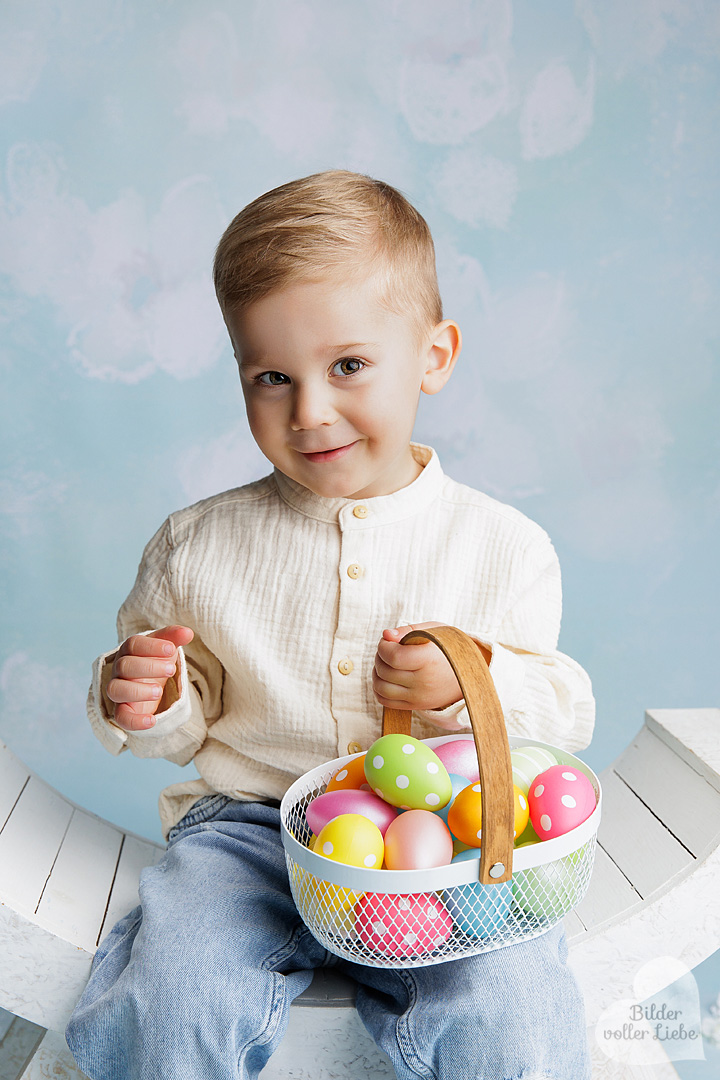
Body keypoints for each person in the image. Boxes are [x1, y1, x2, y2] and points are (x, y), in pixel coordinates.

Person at [66, 170, 595, 1080]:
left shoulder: (502, 545)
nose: (308, 412)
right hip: (249, 836)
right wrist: (147, 699)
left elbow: (560, 712)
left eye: (348, 365)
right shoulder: (196, 545)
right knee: (176, 990)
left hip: (445, 842)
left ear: (433, 355)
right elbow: (183, 714)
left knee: (515, 1011)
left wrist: (469, 688)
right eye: (272, 376)